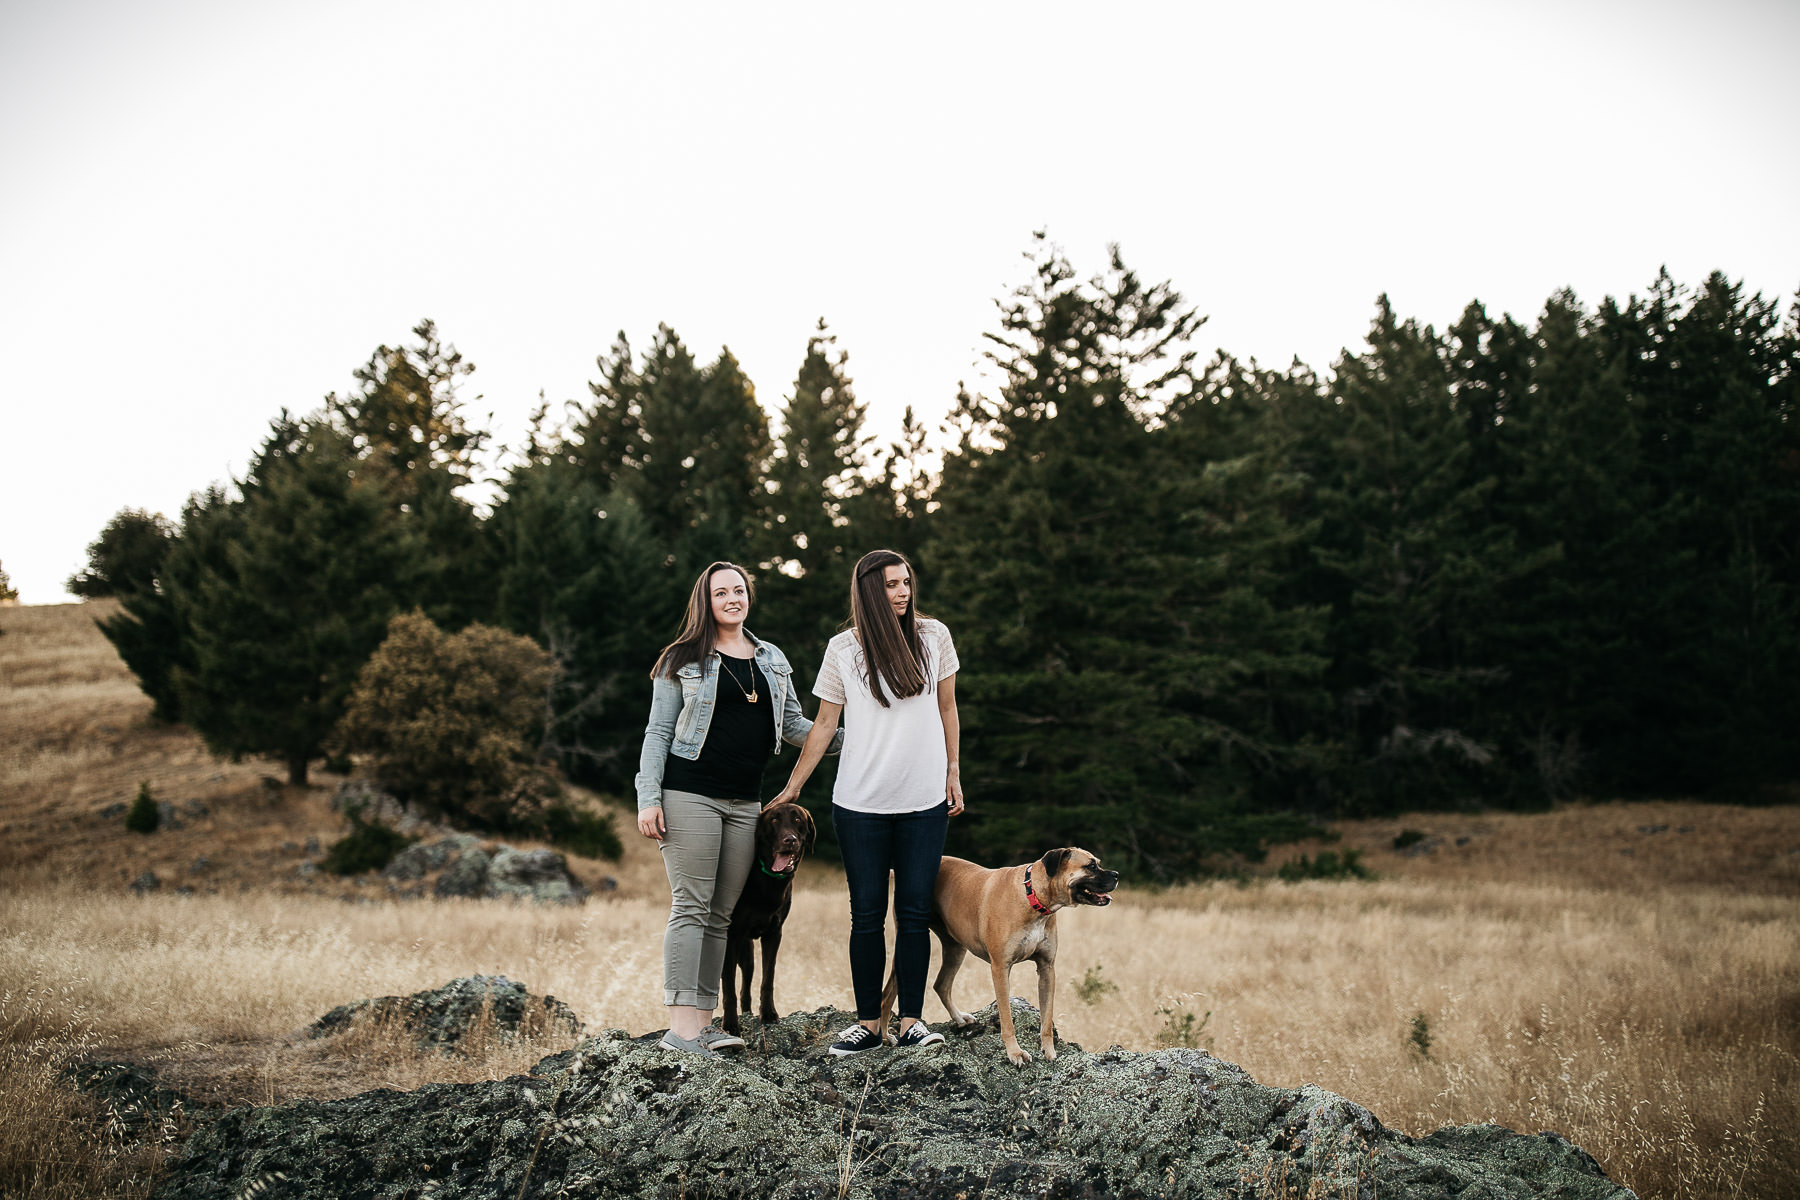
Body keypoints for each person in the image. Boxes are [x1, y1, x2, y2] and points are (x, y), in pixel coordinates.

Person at [635, 560, 840, 1056]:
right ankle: (682, 1030)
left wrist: (863, 741)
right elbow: (658, 733)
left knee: (722, 915)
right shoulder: (680, 659)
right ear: (704, 602)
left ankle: (704, 1025)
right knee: (691, 906)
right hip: (690, 796)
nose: (732, 598)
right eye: (721, 592)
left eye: (739, 590)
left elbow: (796, 726)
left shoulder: (770, 659)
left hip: (747, 802)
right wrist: (649, 796)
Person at [772, 548, 963, 1055]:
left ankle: (912, 1022)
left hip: (923, 800)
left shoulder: (934, 636)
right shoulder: (843, 649)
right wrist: (793, 786)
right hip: (859, 803)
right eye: (890, 585)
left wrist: (953, 771)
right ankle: (868, 1024)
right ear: (868, 592)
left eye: (905, 582)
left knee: (916, 914)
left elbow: (947, 708)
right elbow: (824, 725)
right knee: (866, 915)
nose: (902, 592)